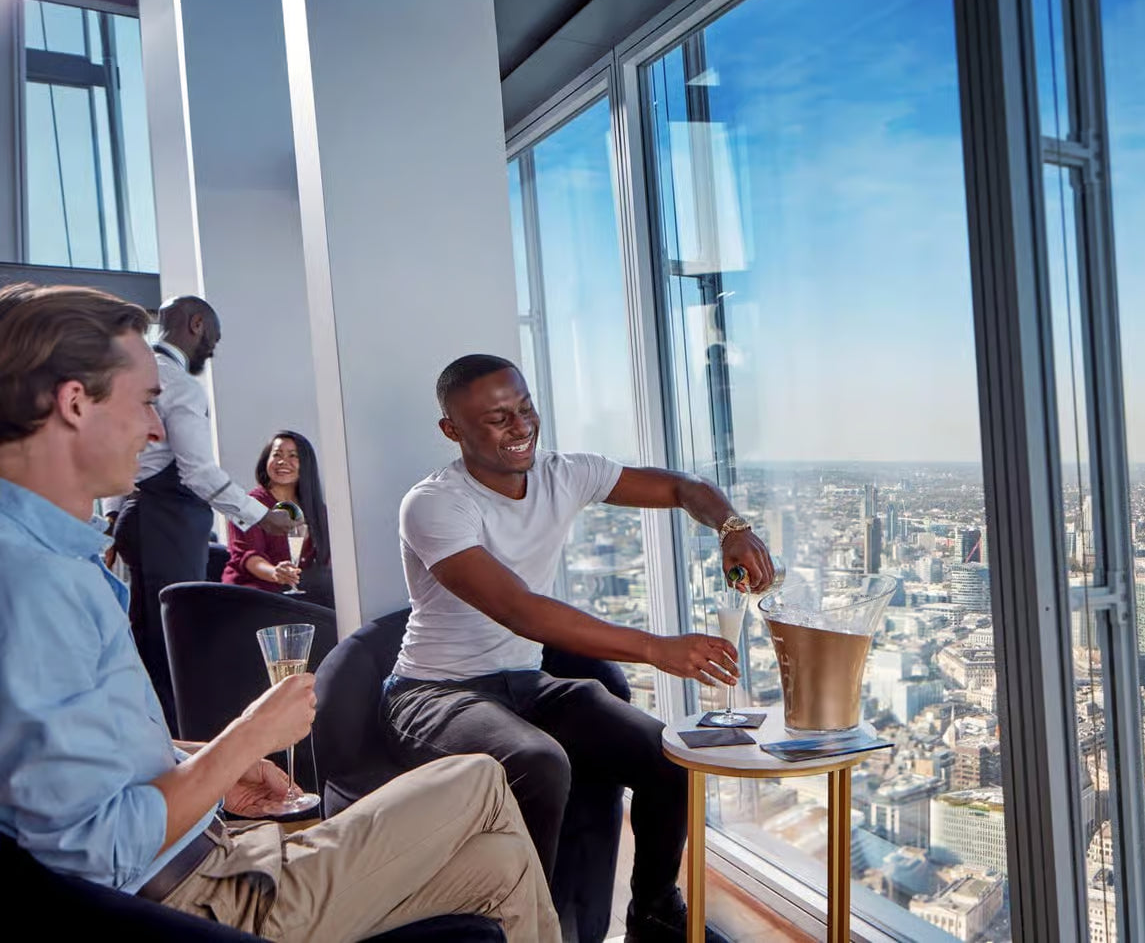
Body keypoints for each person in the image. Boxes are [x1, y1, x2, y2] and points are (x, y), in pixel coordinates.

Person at [0, 283, 558, 941]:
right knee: (479, 784)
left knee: (495, 842)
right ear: (73, 403)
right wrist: (249, 737)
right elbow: (98, 848)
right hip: (197, 905)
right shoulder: (33, 585)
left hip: (215, 861)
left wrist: (208, 764)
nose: (155, 429)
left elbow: (74, 760)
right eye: (148, 402)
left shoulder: (45, 558)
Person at [382, 354, 777, 943]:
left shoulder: (564, 473)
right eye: (496, 419)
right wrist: (655, 649)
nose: (519, 428)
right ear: (452, 431)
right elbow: (519, 609)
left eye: (524, 409)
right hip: (435, 693)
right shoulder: (435, 504)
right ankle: (530, 931)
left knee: (667, 757)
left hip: (523, 682)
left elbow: (681, 486)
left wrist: (731, 527)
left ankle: (653, 915)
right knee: (539, 762)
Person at [112, 295, 296, 730]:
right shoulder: (177, 383)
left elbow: (128, 460)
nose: (212, 348)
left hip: (141, 517)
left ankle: (163, 736)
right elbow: (197, 471)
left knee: (148, 635)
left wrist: (113, 515)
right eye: (213, 337)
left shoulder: (128, 376)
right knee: (171, 642)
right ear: (196, 324)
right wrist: (261, 515)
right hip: (166, 523)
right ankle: (180, 743)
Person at [223, 430, 335, 608]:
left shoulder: (316, 509)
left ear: (306, 464)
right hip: (254, 594)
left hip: (298, 596)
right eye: (276, 455)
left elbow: (329, 558)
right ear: (266, 461)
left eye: (293, 456)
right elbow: (248, 556)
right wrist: (275, 572)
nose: (283, 462)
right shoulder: (249, 505)